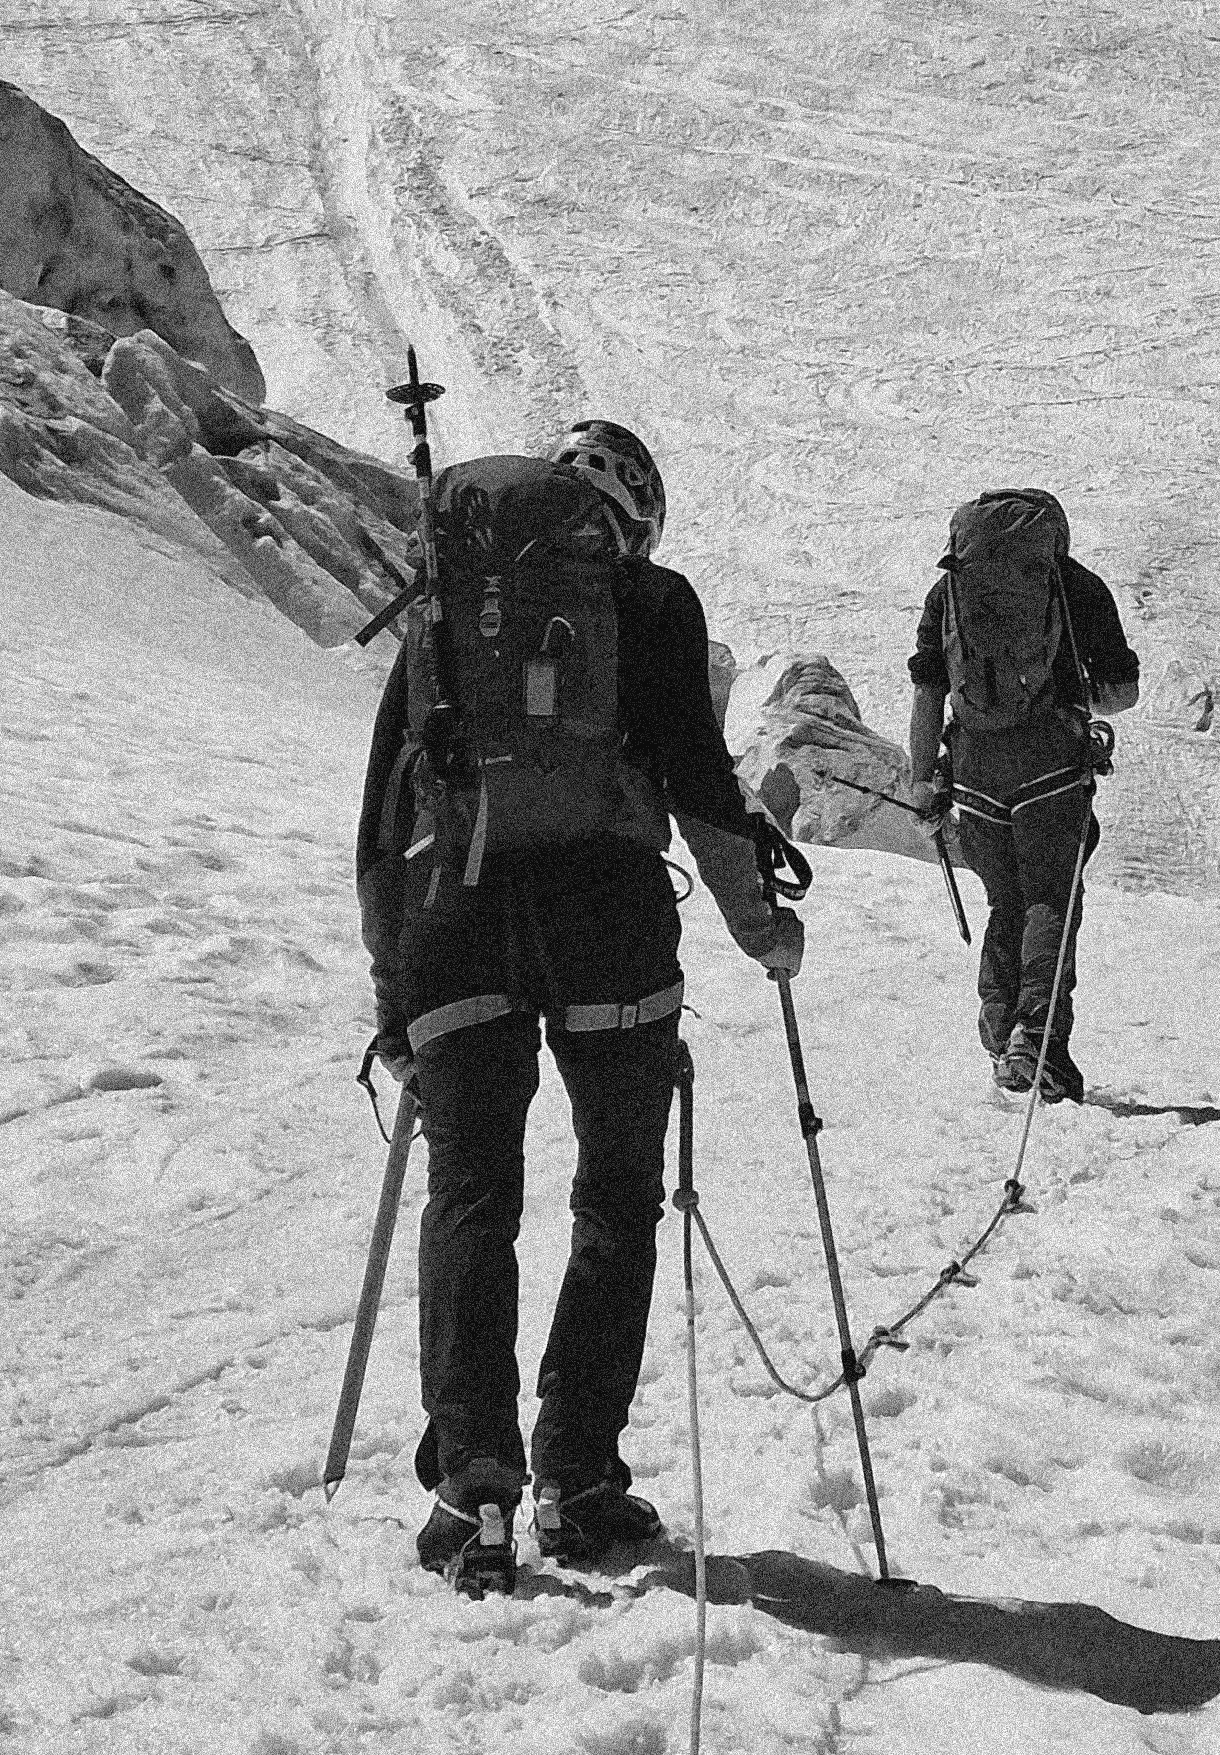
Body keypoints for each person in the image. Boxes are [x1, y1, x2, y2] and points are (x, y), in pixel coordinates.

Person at [355, 419, 802, 1595]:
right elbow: (702, 778)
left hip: (457, 917)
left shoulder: (451, 608)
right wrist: (765, 930)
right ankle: (579, 1476)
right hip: (608, 924)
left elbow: (382, 811)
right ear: (639, 516)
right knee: (613, 1192)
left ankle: (474, 1487)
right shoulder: (648, 602)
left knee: (473, 1196)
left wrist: (396, 998)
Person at [904, 488, 1138, 1105]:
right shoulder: (1073, 584)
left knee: (1004, 900)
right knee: (1049, 900)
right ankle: (1037, 1040)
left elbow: (928, 690)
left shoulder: (948, 591)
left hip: (974, 770)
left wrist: (922, 781)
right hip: (1051, 769)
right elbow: (1121, 691)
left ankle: (999, 1020)